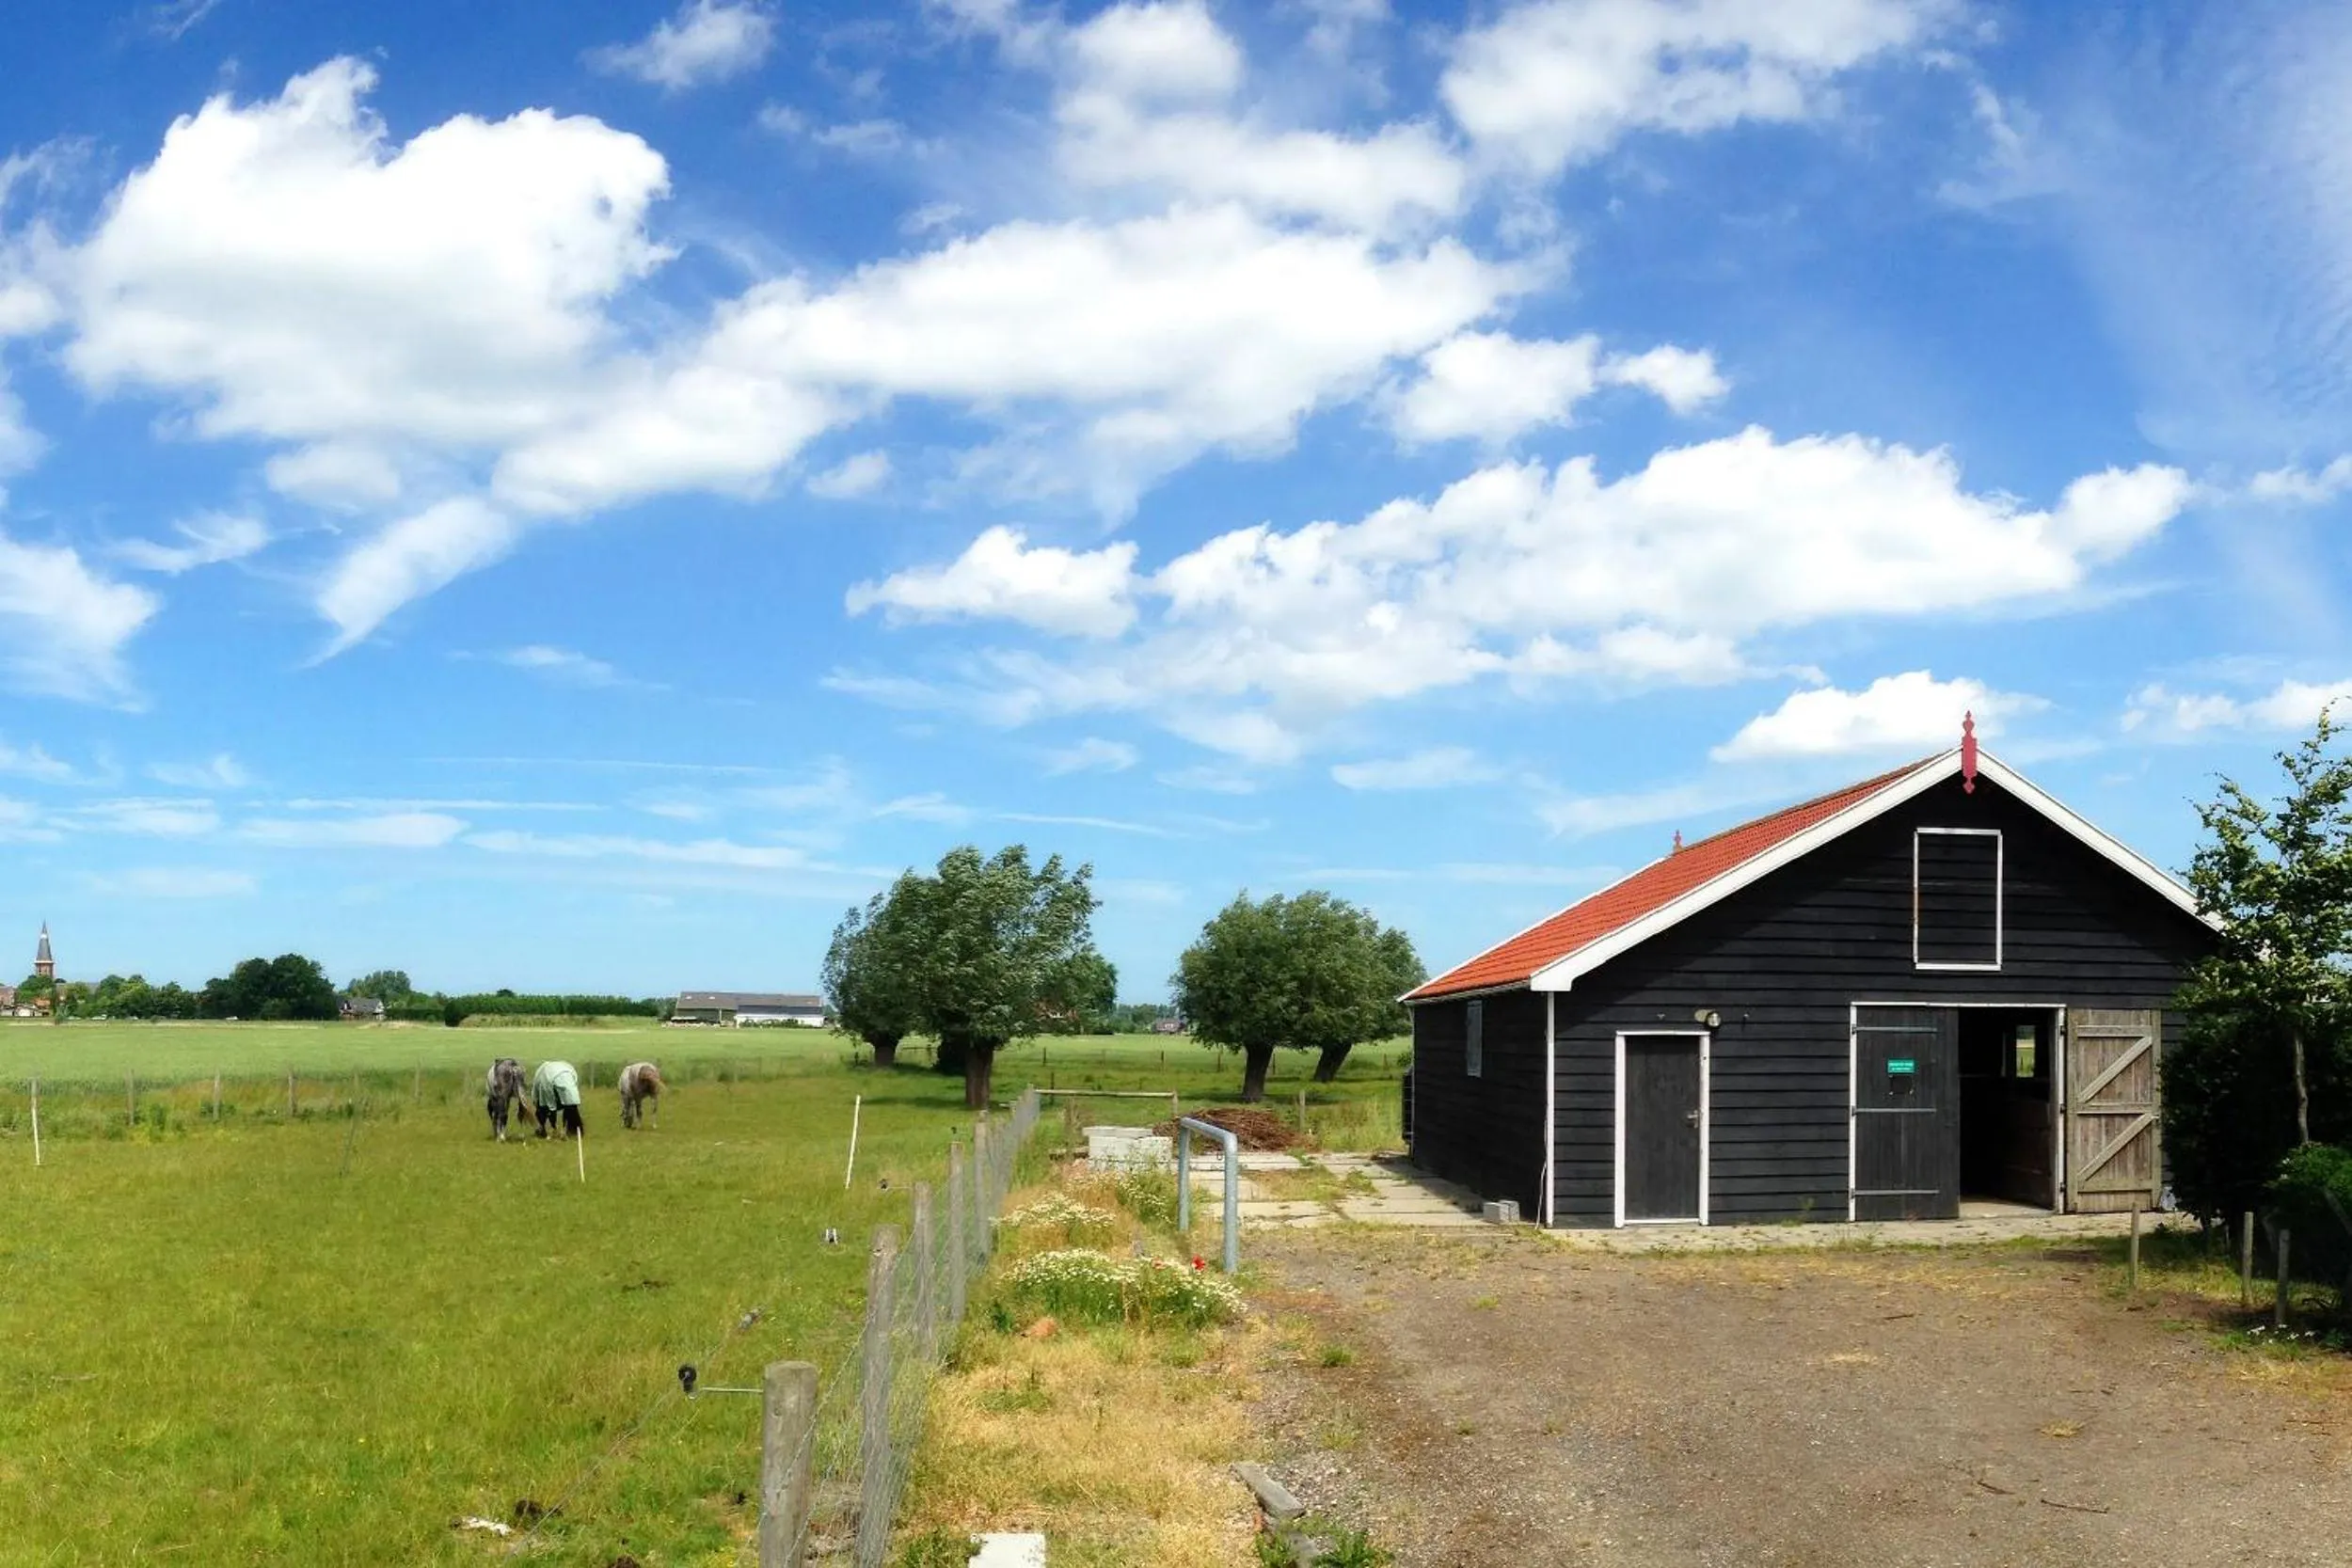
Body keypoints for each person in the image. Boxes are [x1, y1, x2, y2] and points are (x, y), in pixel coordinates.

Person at [531, 1059, 583, 1139]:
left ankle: (551, 1129)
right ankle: (569, 1130)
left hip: (551, 1078)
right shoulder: (566, 1069)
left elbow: (550, 1106)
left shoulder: (543, 1077)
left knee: (547, 1108)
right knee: (570, 1107)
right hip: (567, 1075)